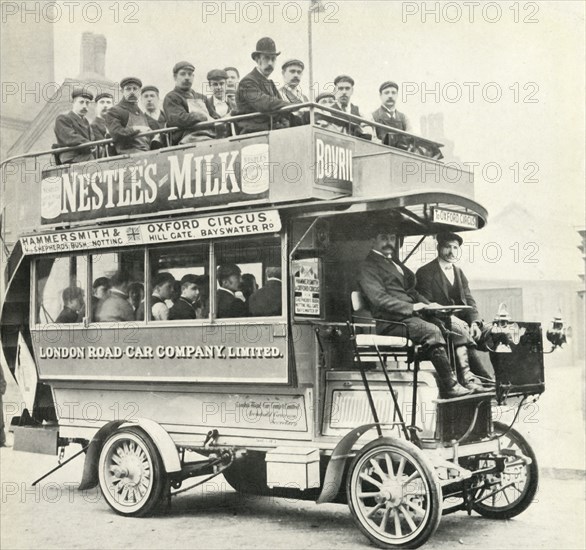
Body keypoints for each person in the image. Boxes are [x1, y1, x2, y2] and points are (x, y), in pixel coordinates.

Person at [358, 224, 472, 398]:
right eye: (384, 238)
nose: (389, 242)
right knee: (431, 331)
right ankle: (451, 386)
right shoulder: (368, 267)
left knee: (449, 327)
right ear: (373, 240)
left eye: (392, 238)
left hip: (409, 318)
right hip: (391, 321)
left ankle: (467, 381)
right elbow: (378, 299)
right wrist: (412, 307)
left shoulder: (394, 263)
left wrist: (431, 305)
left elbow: (412, 292)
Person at [416, 232, 494, 383]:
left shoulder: (458, 272)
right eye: (447, 247)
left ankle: (503, 381)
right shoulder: (425, 272)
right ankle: (481, 379)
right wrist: (449, 317)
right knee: (459, 329)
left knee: (496, 333)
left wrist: (475, 323)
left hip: (464, 322)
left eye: (455, 248)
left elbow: (470, 300)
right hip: (438, 322)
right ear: (438, 248)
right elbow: (426, 304)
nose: (452, 252)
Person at [235, 37, 292, 134]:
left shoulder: (270, 84)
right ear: (257, 60)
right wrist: (293, 107)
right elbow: (265, 103)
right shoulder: (247, 82)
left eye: (273, 59)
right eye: (266, 58)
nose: (270, 63)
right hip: (252, 134)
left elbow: (280, 108)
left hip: (271, 132)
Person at [163, 61, 216, 145]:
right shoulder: (171, 97)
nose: (187, 77)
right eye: (183, 74)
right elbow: (177, 119)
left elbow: (214, 116)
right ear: (175, 77)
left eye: (190, 74)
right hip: (187, 138)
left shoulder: (202, 97)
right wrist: (199, 116)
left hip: (210, 135)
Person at [104, 77, 159, 154]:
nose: (132, 92)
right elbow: (116, 133)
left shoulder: (141, 113)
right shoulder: (115, 111)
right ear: (122, 91)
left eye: (135, 89)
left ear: (139, 91)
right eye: (128, 89)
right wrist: (135, 129)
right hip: (127, 157)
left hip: (146, 153)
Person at [53, 88, 96, 164]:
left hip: (85, 157)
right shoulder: (63, 119)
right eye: (81, 102)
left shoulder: (86, 122)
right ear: (73, 103)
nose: (84, 106)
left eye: (87, 103)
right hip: (71, 159)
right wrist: (91, 145)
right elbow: (71, 138)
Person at [371, 81, 412, 149]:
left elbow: (411, 137)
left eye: (393, 93)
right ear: (380, 95)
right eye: (386, 93)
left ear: (397, 95)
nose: (390, 96)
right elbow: (373, 140)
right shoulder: (373, 116)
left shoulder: (404, 118)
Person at [332, 75, 373, 140]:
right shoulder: (328, 110)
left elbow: (368, 132)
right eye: (340, 89)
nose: (344, 92)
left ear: (352, 91)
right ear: (335, 91)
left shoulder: (359, 113)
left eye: (347, 88)